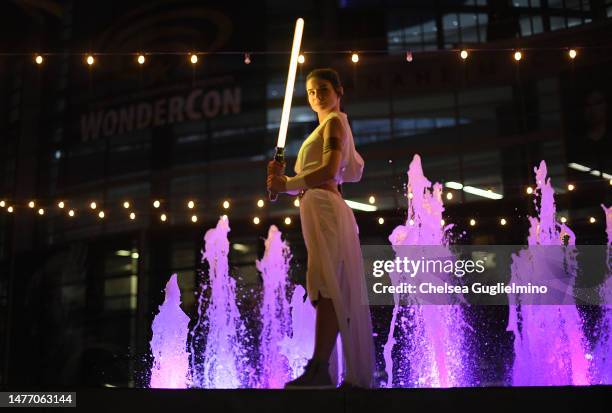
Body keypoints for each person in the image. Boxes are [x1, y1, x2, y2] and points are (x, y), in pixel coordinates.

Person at [267, 68, 375, 389]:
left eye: (322, 89)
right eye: (311, 91)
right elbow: (353, 168)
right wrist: (285, 184)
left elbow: (329, 169)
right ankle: (321, 368)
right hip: (320, 209)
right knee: (323, 285)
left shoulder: (333, 123)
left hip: (325, 209)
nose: (315, 96)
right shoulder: (332, 127)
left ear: (339, 90)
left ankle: (319, 369)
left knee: (327, 285)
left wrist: (288, 182)